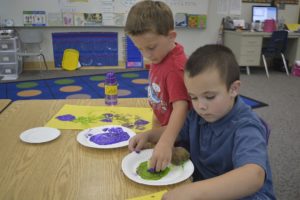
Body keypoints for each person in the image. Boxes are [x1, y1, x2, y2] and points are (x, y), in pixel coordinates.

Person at [131, 44, 276, 200]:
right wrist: (149, 135)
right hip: (203, 185)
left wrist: (192, 192)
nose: (200, 106)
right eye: (193, 97)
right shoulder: (197, 115)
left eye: (210, 97)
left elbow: (253, 176)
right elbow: (177, 131)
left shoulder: (246, 125)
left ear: (234, 89)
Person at [125, 0, 191, 172]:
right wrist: (151, 134)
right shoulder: (160, 55)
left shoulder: (175, 67)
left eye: (151, 47)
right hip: (163, 130)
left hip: (178, 137)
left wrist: (166, 142)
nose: (147, 55)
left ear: (171, 37)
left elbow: (181, 108)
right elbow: (160, 98)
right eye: (140, 49)